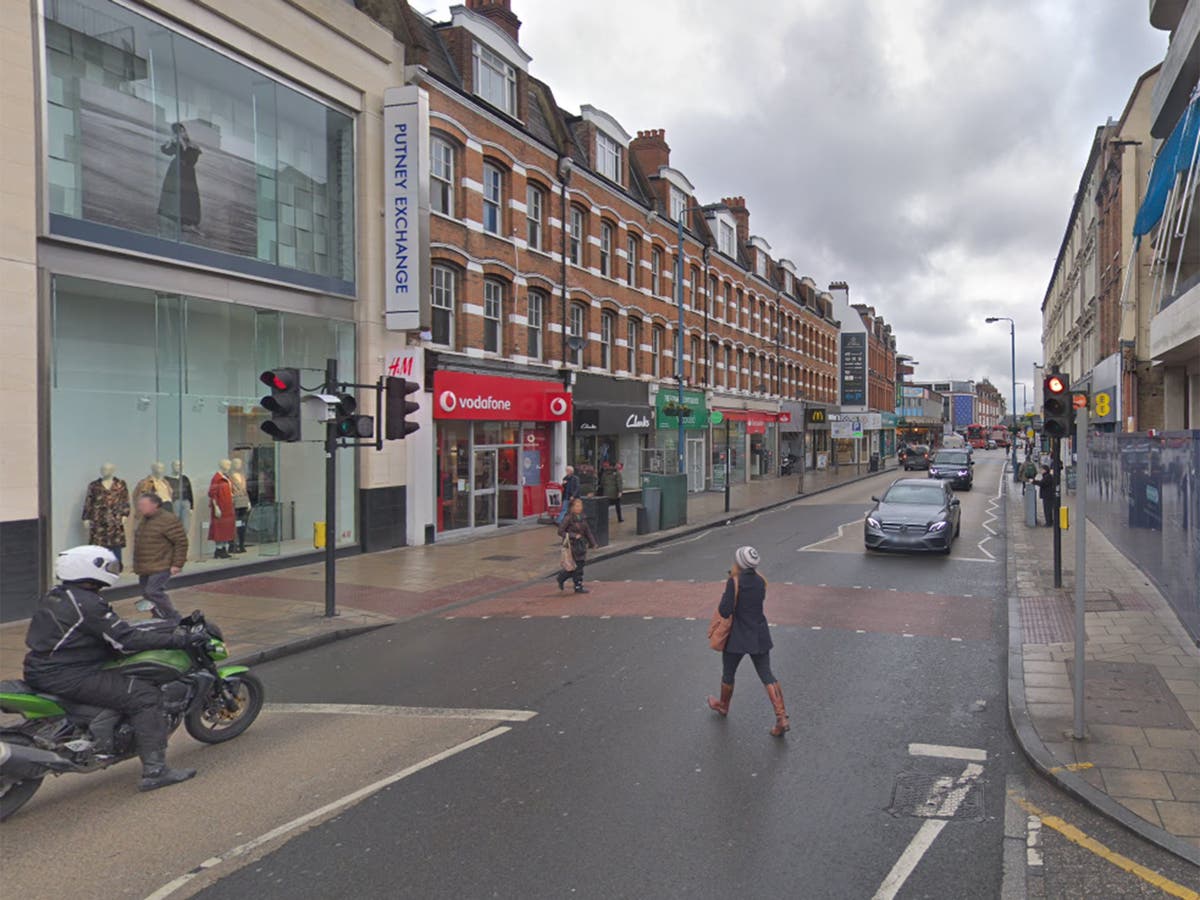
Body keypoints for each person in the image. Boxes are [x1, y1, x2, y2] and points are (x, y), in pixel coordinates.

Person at [24, 545, 202, 791]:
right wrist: (178, 639)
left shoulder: (59, 594)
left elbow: (104, 631)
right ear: (89, 567)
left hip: (45, 666)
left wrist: (157, 628)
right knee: (145, 696)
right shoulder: (88, 603)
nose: (112, 571)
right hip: (68, 673)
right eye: (108, 566)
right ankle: (155, 771)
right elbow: (126, 640)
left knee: (120, 685)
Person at [706, 546, 790, 737]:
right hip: (759, 635)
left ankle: (723, 705)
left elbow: (725, 610)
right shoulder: (761, 581)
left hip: (737, 636)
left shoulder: (734, 582)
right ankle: (782, 717)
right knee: (767, 675)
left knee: (728, 673)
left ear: (739, 563)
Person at [132, 493, 188, 621]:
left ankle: (174, 617)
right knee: (146, 593)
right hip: (145, 566)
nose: (140, 508)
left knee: (153, 591)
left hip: (161, 564)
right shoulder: (145, 519)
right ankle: (159, 615)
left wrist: (177, 564)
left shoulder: (168, 520)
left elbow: (181, 542)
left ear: (155, 505)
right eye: (139, 505)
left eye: (143, 505)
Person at [555, 498, 598, 594]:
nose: (579, 508)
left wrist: (593, 543)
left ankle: (574, 583)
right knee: (575, 566)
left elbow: (588, 532)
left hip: (581, 545)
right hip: (572, 546)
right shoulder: (568, 518)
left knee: (580, 565)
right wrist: (573, 535)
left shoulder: (582, 517)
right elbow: (560, 531)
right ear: (572, 507)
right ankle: (572, 583)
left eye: (580, 506)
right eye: (577, 506)